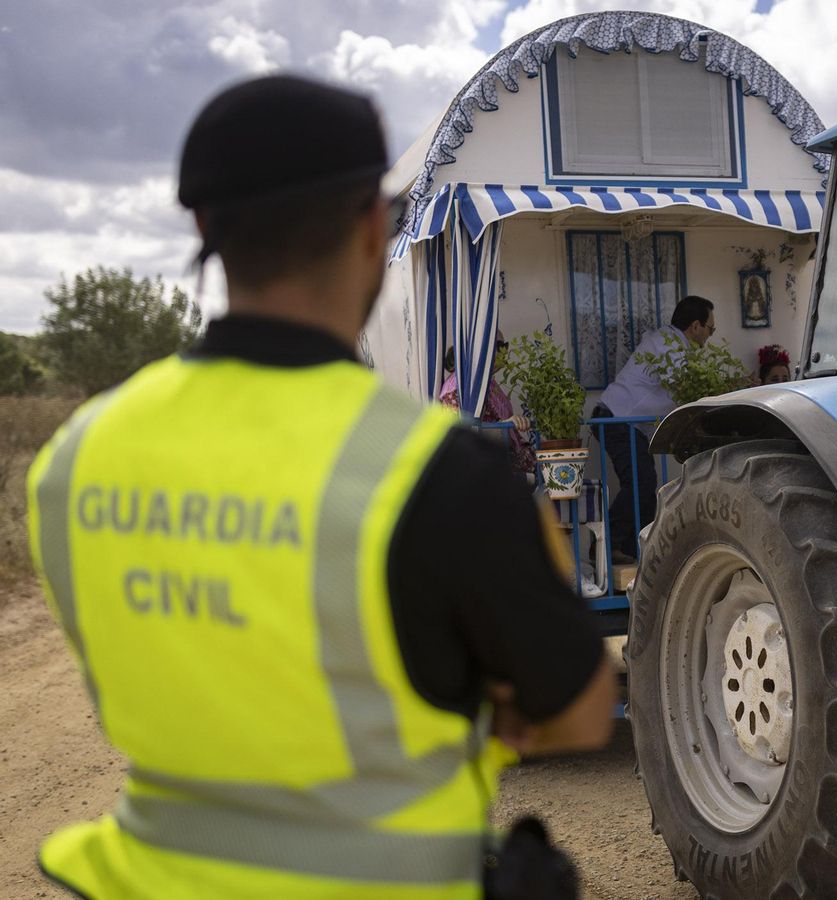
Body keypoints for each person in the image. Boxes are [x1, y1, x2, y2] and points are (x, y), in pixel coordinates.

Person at [26, 74, 613, 900]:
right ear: (374, 228)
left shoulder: (74, 457)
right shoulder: (438, 470)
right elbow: (582, 711)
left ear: (204, 227)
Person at [590, 296, 715, 561]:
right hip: (616, 421)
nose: (710, 336)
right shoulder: (669, 347)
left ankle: (634, 551)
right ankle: (606, 547)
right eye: (710, 329)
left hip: (626, 423)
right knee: (641, 484)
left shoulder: (669, 343)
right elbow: (685, 389)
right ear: (695, 326)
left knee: (646, 486)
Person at [438, 339, 537, 472]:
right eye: (500, 346)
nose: (504, 351)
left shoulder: (486, 382)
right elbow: (460, 433)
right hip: (489, 465)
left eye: (505, 346)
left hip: (506, 459)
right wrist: (504, 426)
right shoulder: (459, 386)